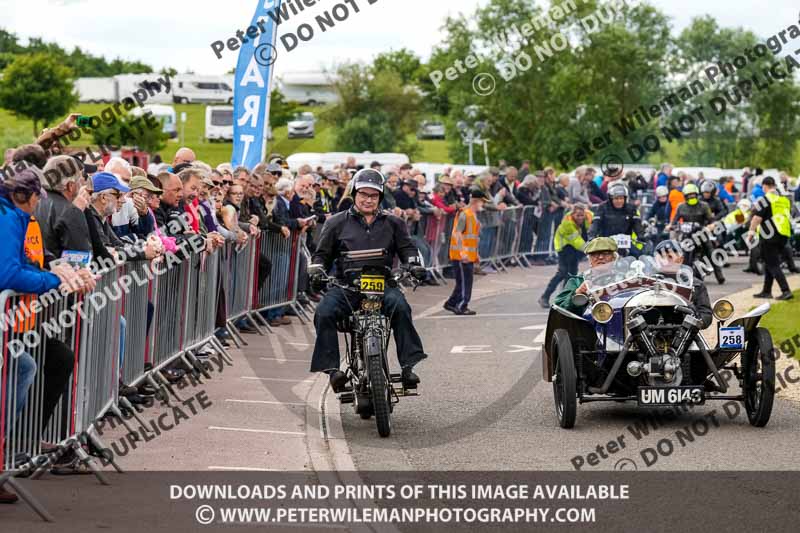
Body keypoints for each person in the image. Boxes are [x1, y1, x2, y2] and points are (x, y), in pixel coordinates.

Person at [307, 169, 428, 392]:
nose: (368, 199)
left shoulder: (394, 222)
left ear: (380, 197)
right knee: (323, 312)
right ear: (354, 194)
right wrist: (317, 269)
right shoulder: (336, 223)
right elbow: (321, 254)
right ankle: (333, 371)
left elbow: (408, 250)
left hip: (383, 285)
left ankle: (408, 366)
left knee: (401, 308)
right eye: (363, 194)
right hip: (347, 287)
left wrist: (415, 265)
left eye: (373, 195)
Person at [443, 189, 489, 315]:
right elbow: (457, 233)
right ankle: (462, 305)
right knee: (465, 282)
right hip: (461, 255)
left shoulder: (471, 215)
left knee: (463, 282)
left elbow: (472, 238)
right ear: (476, 201)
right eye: (482, 202)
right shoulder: (465, 214)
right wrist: (463, 252)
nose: (483, 205)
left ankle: (452, 303)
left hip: (467, 255)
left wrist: (476, 254)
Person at [670, 183, 725, 284]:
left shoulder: (704, 206)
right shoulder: (680, 207)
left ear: (697, 194)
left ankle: (719, 274)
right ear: (685, 196)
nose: (691, 197)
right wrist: (670, 226)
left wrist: (711, 225)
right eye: (689, 195)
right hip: (686, 235)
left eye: (693, 194)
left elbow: (711, 219)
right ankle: (678, 275)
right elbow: (674, 221)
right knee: (679, 252)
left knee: (710, 251)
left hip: (701, 233)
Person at [539, 204, 592, 308]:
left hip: (575, 248)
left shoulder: (589, 217)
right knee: (562, 272)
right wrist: (590, 249)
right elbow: (577, 241)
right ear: (572, 215)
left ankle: (565, 298)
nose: (580, 218)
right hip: (564, 247)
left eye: (582, 215)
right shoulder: (567, 223)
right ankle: (545, 297)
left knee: (572, 274)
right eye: (578, 215)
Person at [750, 177, 794, 300]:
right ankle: (766, 291)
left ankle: (786, 290)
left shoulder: (765, 199)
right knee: (770, 262)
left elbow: (756, 219)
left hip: (769, 236)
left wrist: (751, 232)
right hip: (783, 235)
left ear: (765, 186)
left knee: (773, 264)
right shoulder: (784, 200)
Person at [653, 240, 713, 329]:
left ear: (680, 260)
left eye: (670, 257)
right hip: (649, 335)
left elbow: (706, 316)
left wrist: (691, 311)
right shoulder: (646, 283)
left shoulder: (695, 284)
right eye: (661, 257)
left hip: (685, 334)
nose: (665, 260)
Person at [552, 237, 618, 314]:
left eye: (606, 253)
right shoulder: (577, 281)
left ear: (614, 258)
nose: (600, 257)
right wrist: (577, 293)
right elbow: (558, 308)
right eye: (595, 254)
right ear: (589, 259)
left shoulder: (624, 278)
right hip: (587, 323)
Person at [588, 183, 644, 257]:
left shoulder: (631, 208)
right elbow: (595, 223)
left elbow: (637, 224)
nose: (619, 201)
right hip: (606, 241)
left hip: (625, 242)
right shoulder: (602, 207)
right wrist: (591, 236)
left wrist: (641, 235)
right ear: (611, 199)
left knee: (638, 254)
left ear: (625, 199)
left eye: (621, 198)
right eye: (616, 198)